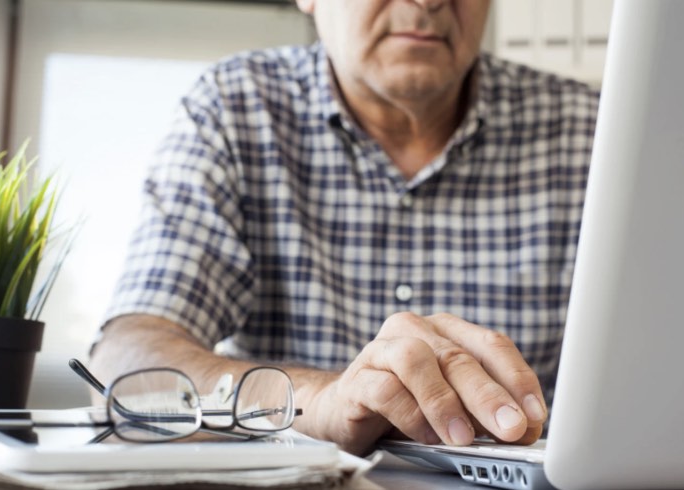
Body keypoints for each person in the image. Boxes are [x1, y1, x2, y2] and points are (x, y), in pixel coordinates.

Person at [89, 0, 598, 456]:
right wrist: (317, 401)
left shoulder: (591, 132)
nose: (429, 2)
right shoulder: (235, 107)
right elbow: (123, 369)